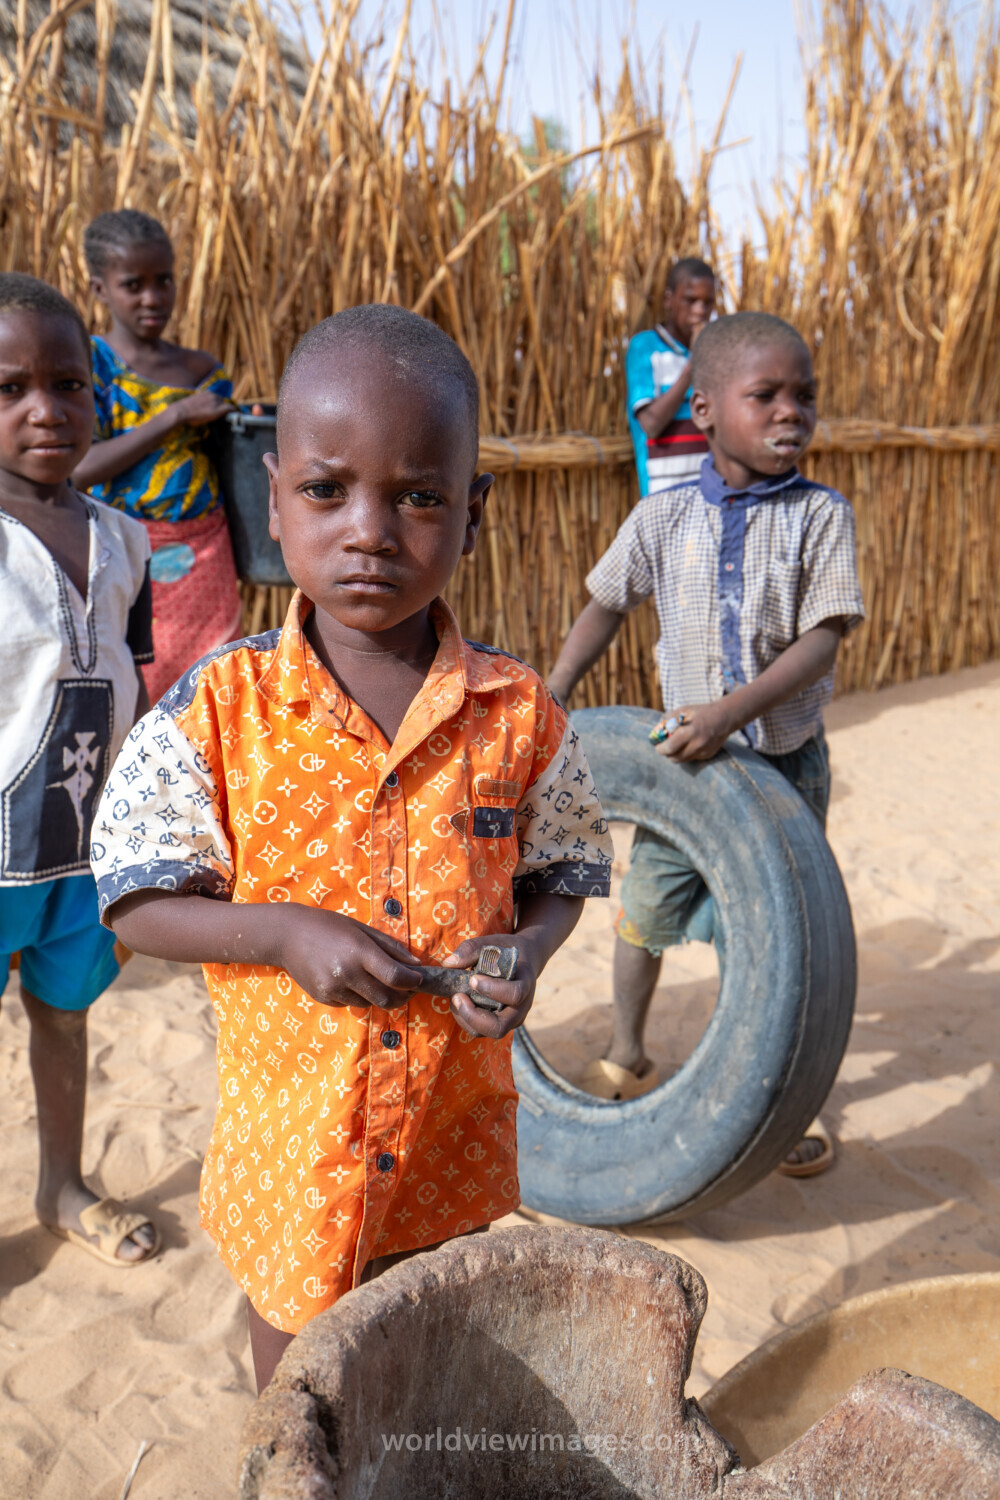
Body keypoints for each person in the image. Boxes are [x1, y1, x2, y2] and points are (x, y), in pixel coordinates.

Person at [90, 304, 613, 1390]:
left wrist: (527, 951)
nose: (369, 529)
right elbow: (135, 897)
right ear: (275, 502)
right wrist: (278, 932)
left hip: (446, 1129)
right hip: (300, 1138)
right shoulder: (219, 711)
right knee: (303, 1358)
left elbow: (561, 873)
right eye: (328, 491)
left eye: (417, 497)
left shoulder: (517, 714)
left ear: (473, 515)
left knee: (423, 1330)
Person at [548, 311, 865, 1174]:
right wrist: (557, 687)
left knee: (774, 935)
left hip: (782, 764)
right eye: (765, 395)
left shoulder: (819, 518)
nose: (790, 412)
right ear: (706, 406)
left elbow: (824, 640)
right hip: (683, 771)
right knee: (643, 912)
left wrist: (731, 709)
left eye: (805, 395)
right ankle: (626, 1050)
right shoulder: (662, 516)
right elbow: (608, 603)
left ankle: (784, 1092)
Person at [0, 272, 159, 1265]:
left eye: (67, 385)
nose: (44, 411)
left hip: (80, 849)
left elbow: (130, 673)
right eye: (8, 388)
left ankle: (63, 1186)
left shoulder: (125, 540)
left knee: (64, 1018)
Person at [73, 209, 242, 703]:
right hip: (119, 549)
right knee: (132, 689)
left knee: (211, 686)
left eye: (163, 280)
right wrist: (174, 416)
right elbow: (80, 469)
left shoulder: (204, 371)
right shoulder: (89, 366)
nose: (153, 297)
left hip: (204, 553)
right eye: (133, 284)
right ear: (100, 289)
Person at [626, 257, 717, 496]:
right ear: (669, 299)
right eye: (691, 300)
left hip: (712, 496)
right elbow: (652, 424)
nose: (700, 310)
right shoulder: (645, 348)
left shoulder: (716, 353)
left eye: (708, 302)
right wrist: (693, 365)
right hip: (662, 499)